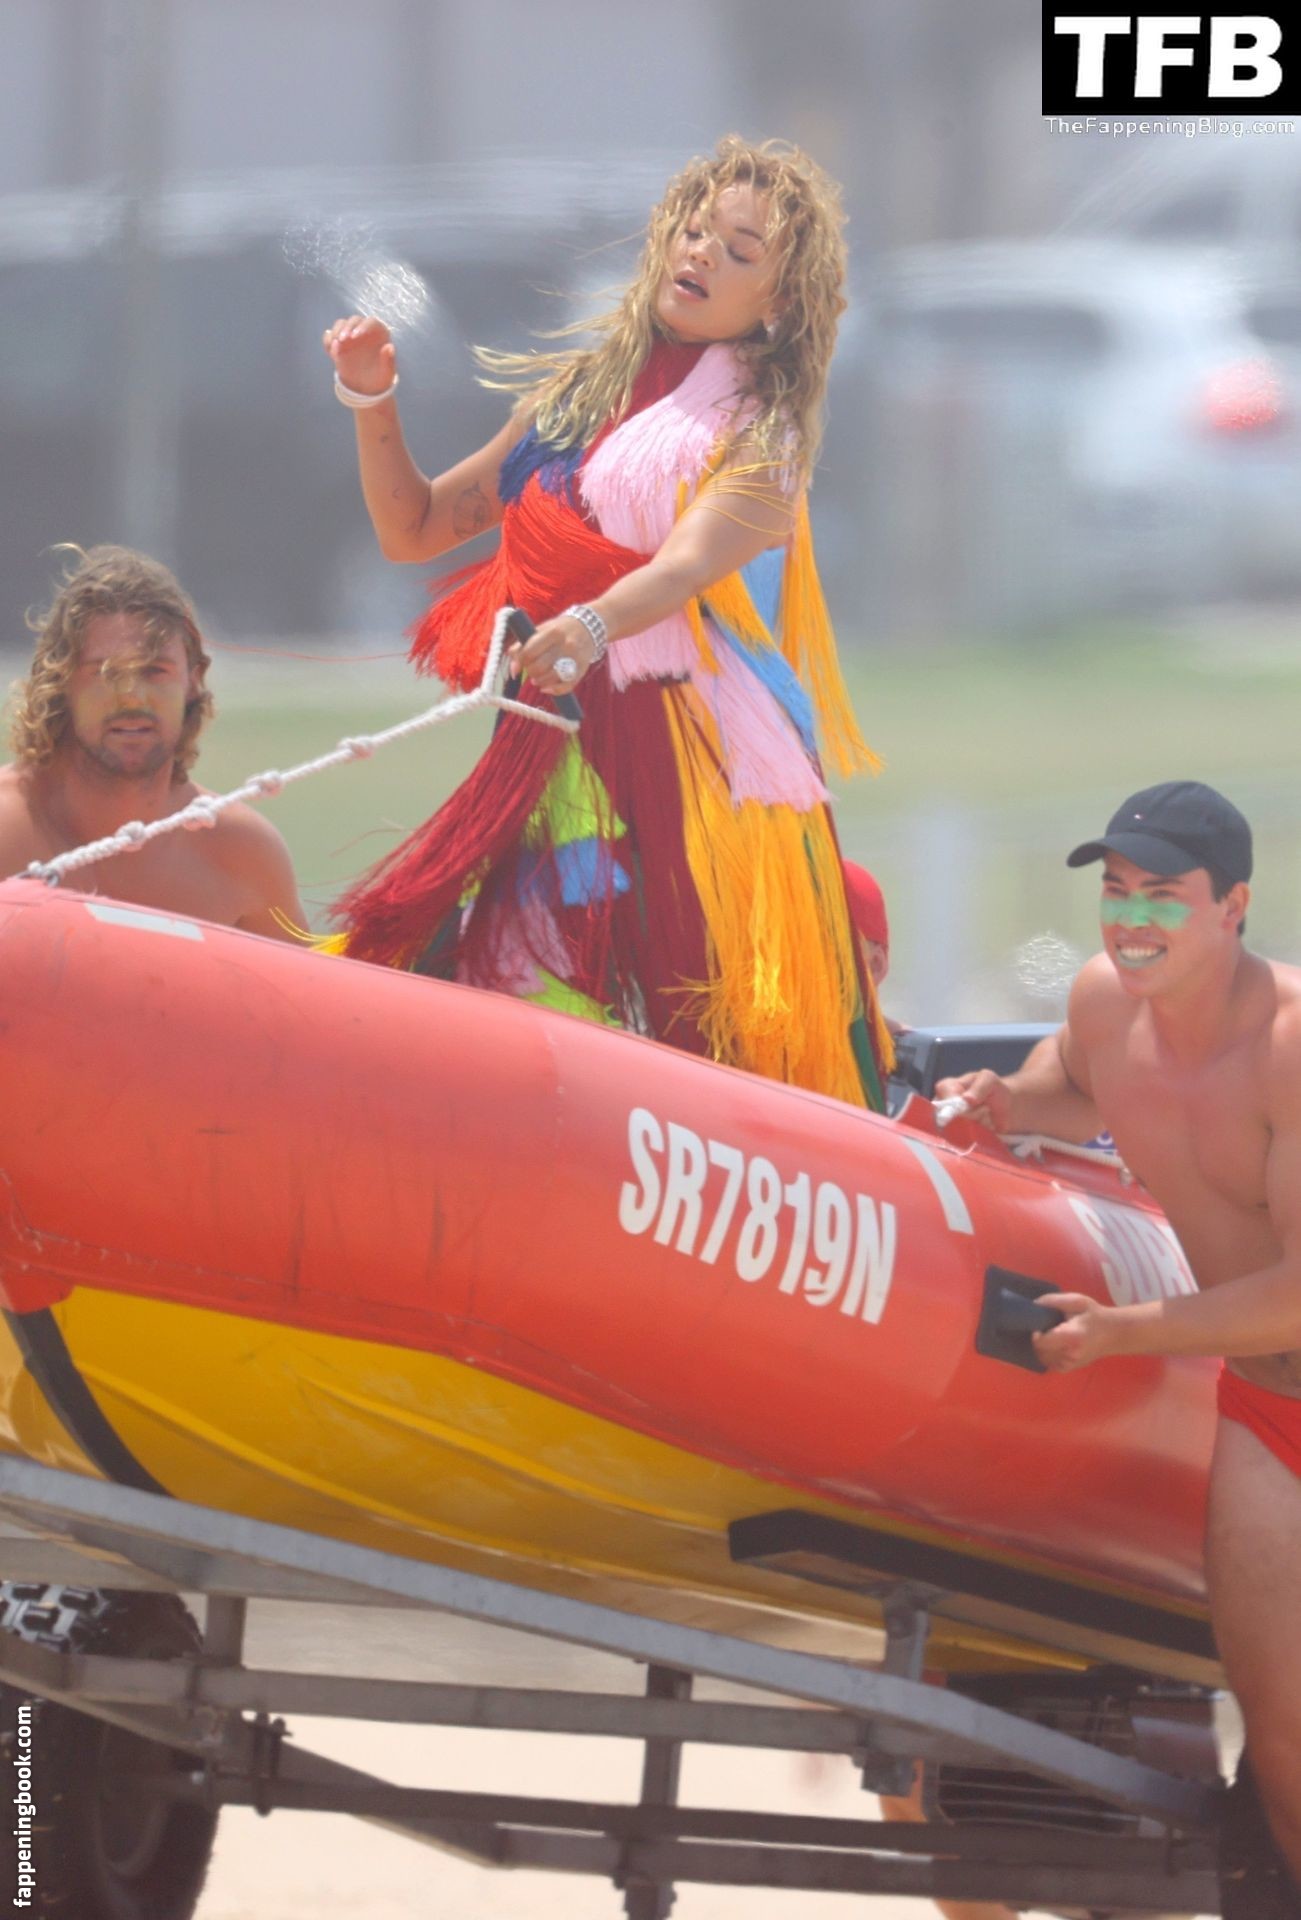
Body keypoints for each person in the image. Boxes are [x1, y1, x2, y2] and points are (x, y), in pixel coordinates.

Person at [323, 136, 892, 1109]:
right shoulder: (571, 401)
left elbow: (685, 565)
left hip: (700, 770)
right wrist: (370, 398)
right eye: (693, 228)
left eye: (739, 251)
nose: (700, 251)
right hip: (556, 756)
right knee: (519, 986)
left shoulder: (761, 433)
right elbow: (413, 528)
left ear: (780, 304)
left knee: (710, 1033)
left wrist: (590, 625)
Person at [935, 779, 1301, 1899]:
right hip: (1266, 1405)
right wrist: (1007, 1099)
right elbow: (1072, 1083)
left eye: (1163, 896)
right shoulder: (1101, 1002)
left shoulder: (1289, 1043)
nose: (1131, 919)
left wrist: (1123, 1331)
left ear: (1232, 905)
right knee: (1281, 1742)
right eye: (1115, 891)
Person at [0, 544, 305, 939]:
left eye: (154, 671)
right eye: (105, 673)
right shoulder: (8, 826)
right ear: (60, 682)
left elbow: (306, 980)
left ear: (192, 680)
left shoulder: (244, 854)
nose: (131, 697)